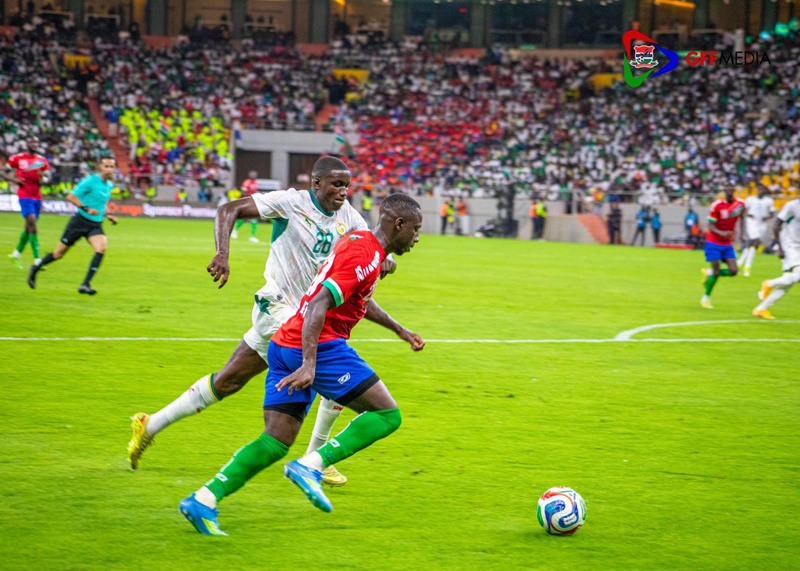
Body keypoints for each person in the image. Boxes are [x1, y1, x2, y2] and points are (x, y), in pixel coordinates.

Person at [127, 157, 395, 488]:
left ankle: (149, 425)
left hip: (304, 315)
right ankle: (318, 459)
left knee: (227, 381)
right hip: (278, 308)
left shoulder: (349, 217)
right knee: (334, 364)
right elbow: (229, 209)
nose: (343, 191)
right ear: (316, 184)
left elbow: (370, 246)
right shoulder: (291, 203)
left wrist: (386, 258)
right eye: (336, 184)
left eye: (347, 186)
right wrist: (222, 252)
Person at [178, 193, 424, 536]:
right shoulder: (365, 255)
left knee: (276, 440)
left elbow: (355, 299)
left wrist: (399, 330)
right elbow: (319, 304)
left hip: (283, 344)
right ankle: (313, 465)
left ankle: (203, 500)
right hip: (316, 345)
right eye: (416, 229)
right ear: (398, 224)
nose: (417, 237)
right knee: (387, 415)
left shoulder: (360, 245)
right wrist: (309, 364)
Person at [27, 157, 118, 295]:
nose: (109, 169)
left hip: (95, 225)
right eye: (107, 166)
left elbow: (102, 203)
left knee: (101, 248)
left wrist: (108, 215)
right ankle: (35, 268)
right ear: (100, 167)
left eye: (112, 167)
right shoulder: (90, 180)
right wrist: (86, 208)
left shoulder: (109, 185)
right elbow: (70, 196)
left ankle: (85, 284)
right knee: (58, 254)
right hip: (79, 222)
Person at [753, 198, 800, 319]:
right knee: (798, 274)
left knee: (788, 283)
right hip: (789, 245)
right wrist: (779, 247)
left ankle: (761, 309)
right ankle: (769, 283)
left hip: (798, 247)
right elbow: (776, 225)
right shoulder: (792, 205)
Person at [7, 137, 50, 269]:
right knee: (33, 224)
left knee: (28, 228)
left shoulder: (42, 160)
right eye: (31, 142)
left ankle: (15, 255)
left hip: (37, 197)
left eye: (36, 142)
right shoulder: (18, 158)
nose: (34, 144)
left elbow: (47, 178)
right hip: (24, 196)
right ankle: (37, 260)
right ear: (27, 144)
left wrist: (43, 178)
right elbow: (3, 171)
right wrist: (14, 180)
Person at [700, 187, 745, 309]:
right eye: (727, 190)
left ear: (734, 191)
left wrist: (742, 234)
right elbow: (710, 225)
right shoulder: (717, 205)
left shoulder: (740, 204)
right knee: (716, 272)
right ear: (724, 191)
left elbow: (742, 218)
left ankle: (709, 273)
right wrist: (722, 232)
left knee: (734, 271)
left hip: (727, 243)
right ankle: (705, 298)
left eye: (731, 189)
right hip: (713, 242)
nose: (729, 192)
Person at [739, 187, 775, 277]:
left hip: (762, 224)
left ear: (765, 191)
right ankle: (747, 266)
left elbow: (772, 213)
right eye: (759, 189)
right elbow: (744, 210)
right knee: (755, 241)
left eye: (762, 190)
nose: (760, 191)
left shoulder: (769, 201)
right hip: (752, 222)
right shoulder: (750, 199)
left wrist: (767, 217)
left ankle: (740, 262)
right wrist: (748, 214)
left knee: (753, 244)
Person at [234, 170, 260, 242]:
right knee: (243, 219)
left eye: (254, 175)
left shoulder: (256, 183)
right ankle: (235, 229)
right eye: (252, 174)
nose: (253, 176)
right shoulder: (247, 182)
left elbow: (256, 191)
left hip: (253, 202)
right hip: (247, 202)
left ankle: (252, 236)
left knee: (254, 219)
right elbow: (243, 192)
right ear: (249, 175)